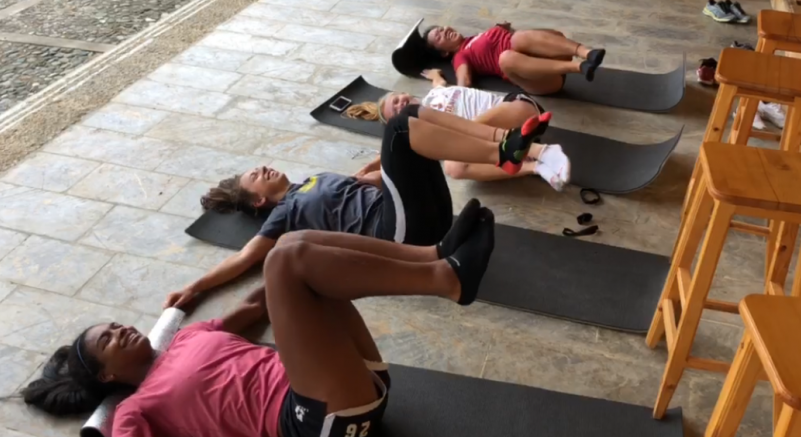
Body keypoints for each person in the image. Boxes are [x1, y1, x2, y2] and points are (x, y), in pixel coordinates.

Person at [22, 205, 496, 437]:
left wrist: (200, 286)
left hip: (351, 381)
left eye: (115, 325)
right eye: (108, 340)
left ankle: (432, 255)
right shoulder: (134, 410)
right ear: (106, 376)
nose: (121, 330)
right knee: (284, 261)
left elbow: (255, 306)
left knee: (291, 244)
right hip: (322, 422)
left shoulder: (187, 338)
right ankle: (448, 281)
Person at [164, 104, 562, 310]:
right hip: (397, 235)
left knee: (405, 121)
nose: (263, 167)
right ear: (258, 200)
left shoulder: (314, 179)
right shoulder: (286, 214)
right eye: (255, 174)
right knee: (399, 125)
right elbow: (247, 257)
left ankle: (505, 146)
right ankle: (503, 152)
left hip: (420, 213)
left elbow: (376, 182)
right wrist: (194, 287)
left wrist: (383, 164)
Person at [345, 69, 570, 187]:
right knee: (454, 168)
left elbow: (439, 82)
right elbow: (395, 148)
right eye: (396, 110)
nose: (401, 104)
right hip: (509, 135)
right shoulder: (422, 127)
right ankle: (534, 167)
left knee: (461, 138)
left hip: (517, 108)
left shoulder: (434, 93)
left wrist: (435, 75)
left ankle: (538, 151)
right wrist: (366, 169)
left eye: (397, 99)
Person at [423, 22, 605, 95]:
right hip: (541, 79)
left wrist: (502, 29)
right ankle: (579, 67)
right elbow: (464, 86)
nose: (444, 31)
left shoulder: (477, 36)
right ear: (444, 54)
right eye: (439, 37)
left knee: (517, 37)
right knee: (506, 58)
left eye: (441, 28)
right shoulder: (460, 56)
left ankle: (587, 53)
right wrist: (438, 79)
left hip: (550, 56)